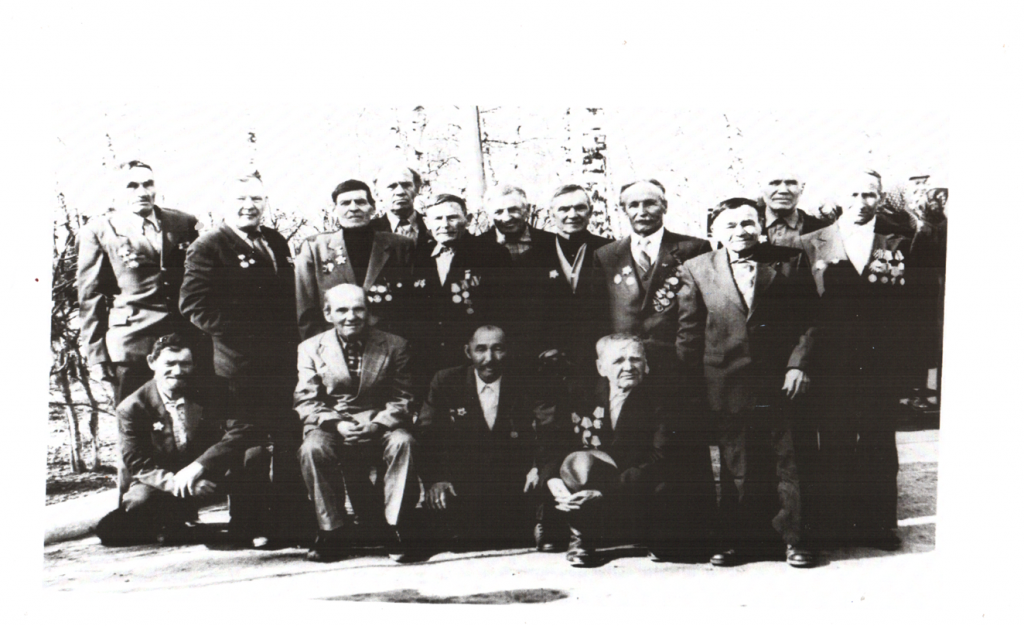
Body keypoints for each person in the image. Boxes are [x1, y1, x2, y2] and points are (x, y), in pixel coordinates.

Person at [676, 198, 819, 568]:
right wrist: (690, 386)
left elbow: (809, 319)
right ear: (713, 232)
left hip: (779, 379)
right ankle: (737, 541)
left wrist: (797, 366)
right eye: (730, 225)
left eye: (748, 223)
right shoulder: (696, 268)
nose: (740, 231)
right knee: (735, 462)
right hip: (724, 381)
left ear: (760, 226)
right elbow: (690, 331)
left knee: (788, 460)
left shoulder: (790, 260)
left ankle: (795, 540)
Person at [179, 172, 311, 545]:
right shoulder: (208, 246)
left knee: (287, 436)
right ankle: (247, 524)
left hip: (283, 361)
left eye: (256, 198)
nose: (249, 206)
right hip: (239, 364)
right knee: (246, 440)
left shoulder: (274, 240)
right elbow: (193, 305)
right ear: (225, 203)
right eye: (240, 199)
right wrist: (246, 334)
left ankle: (290, 522)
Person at [797, 170, 922, 550]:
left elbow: (914, 310)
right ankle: (831, 524)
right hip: (828, 362)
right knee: (832, 441)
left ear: (880, 198)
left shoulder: (900, 242)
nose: (861, 202)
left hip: (879, 362)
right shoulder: (809, 243)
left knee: (877, 442)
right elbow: (799, 307)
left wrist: (908, 369)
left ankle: (876, 524)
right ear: (839, 198)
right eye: (853, 194)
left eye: (869, 194)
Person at [540, 334, 717, 567]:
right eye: (619, 361)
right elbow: (557, 442)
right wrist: (553, 480)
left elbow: (661, 459)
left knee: (666, 533)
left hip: (648, 482)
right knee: (578, 465)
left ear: (646, 365)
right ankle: (582, 538)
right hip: (606, 481)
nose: (629, 367)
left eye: (636, 359)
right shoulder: (581, 393)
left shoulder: (666, 399)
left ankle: (656, 536)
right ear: (601, 367)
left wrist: (604, 491)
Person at [94, 334, 266, 547]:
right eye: (170, 364)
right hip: (167, 479)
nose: (177, 371)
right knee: (138, 504)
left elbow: (243, 429)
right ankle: (176, 526)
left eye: (185, 364)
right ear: (152, 362)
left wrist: (200, 466)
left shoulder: (214, 390)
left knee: (254, 454)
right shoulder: (132, 407)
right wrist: (178, 483)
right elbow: (138, 463)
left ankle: (246, 527)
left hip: (211, 470)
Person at [295, 285, 421, 562]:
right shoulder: (310, 348)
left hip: (379, 421)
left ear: (368, 312)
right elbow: (306, 400)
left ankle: (395, 526)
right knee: (312, 449)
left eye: (358, 309)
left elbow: (404, 397)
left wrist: (377, 423)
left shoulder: (395, 345)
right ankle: (331, 531)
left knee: (404, 443)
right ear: (328, 314)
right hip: (333, 424)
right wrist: (337, 425)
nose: (351, 316)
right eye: (342, 310)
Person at [77, 160, 201, 406]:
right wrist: (96, 356)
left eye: (148, 184)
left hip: (182, 344)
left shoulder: (183, 223)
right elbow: (90, 297)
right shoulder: (99, 231)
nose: (142, 192)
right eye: (132, 185)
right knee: (134, 419)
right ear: (116, 191)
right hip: (131, 345)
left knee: (190, 419)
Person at [415, 325, 541, 549]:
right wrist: (436, 479)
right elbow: (427, 434)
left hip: (514, 483)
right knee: (448, 534)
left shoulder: (526, 382)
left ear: (508, 351)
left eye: (498, 349)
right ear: (468, 351)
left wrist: (537, 466)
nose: (489, 358)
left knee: (522, 530)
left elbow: (548, 431)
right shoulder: (446, 381)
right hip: (463, 483)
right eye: (481, 349)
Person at [593, 180, 712, 388]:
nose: (642, 212)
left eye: (650, 203)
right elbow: (599, 314)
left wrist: (685, 358)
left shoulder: (693, 249)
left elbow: (703, 312)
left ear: (664, 206)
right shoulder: (606, 255)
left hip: (678, 365)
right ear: (624, 210)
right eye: (633, 205)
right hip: (625, 368)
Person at [294, 179, 415, 342]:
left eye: (360, 202)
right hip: (333, 344)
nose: (353, 208)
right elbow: (305, 309)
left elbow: (410, 305)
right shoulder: (314, 247)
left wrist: (400, 346)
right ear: (335, 209)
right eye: (345, 203)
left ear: (373, 208)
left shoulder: (399, 246)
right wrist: (320, 348)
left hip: (389, 345)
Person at [408, 194, 513, 379]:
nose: (445, 225)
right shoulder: (417, 255)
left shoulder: (491, 253)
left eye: (452, 217)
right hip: (426, 357)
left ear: (468, 219)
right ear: (427, 222)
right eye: (438, 218)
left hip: (473, 359)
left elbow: (505, 309)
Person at [520, 184, 612, 374]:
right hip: (549, 361)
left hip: (600, 357)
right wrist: (541, 350)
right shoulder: (531, 258)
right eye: (564, 209)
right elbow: (525, 315)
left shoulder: (611, 251)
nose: (573, 214)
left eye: (580, 208)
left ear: (590, 211)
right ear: (551, 214)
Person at [479, 185, 554, 263]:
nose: (507, 218)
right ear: (489, 216)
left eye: (513, 210)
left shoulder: (550, 242)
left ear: (527, 210)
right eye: (498, 212)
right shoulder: (478, 246)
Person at [758, 170, 828, 250]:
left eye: (791, 183)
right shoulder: (748, 223)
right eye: (774, 183)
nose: (783, 190)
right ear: (761, 187)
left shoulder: (821, 229)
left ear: (802, 188)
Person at [369, 164, 431, 248]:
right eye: (392, 186)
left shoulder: (434, 225)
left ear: (417, 189)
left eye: (406, 185)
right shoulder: (369, 231)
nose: (400, 192)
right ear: (377, 194)